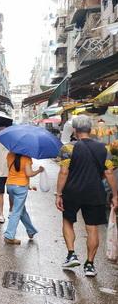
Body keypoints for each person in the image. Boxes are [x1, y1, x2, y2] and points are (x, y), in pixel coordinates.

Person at [55, 115, 118, 276]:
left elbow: (63, 172)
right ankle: (89, 265)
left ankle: (71, 254)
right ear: (90, 129)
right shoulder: (104, 148)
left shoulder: (68, 148)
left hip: (72, 192)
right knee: (92, 228)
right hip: (95, 193)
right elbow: (109, 172)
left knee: (68, 221)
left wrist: (58, 194)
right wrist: (115, 195)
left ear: (74, 130)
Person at [3, 153, 43, 244]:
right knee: (16, 211)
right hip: (21, 186)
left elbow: (10, 168)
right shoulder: (26, 158)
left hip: (10, 185)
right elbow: (29, 173)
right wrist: (39, 170)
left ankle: (31, 230)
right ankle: (9, 235)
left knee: (21, 209)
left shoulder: (9, 154)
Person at [0, 126, 12, 223]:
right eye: (0, 129)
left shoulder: (11, 142)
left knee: (11, 193)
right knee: (0, 193)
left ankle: (11, 210)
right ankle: (0, 214)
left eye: (4, 129)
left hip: (11, 173)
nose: (2, 131)